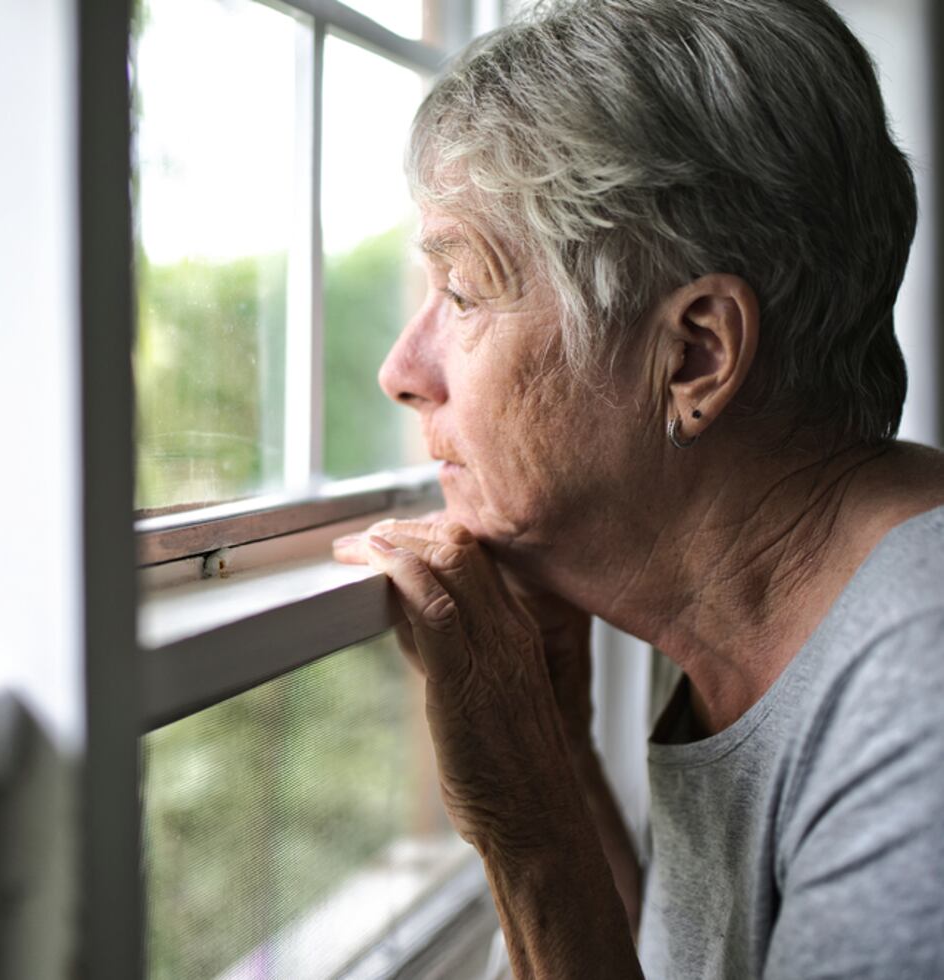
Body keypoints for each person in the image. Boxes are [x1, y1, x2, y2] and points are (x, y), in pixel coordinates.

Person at [334, 0, 944, 975]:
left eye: (460, 293)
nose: (401, 370)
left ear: (695, 353)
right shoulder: (757, 630)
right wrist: (561, 761)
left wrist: (524, 826)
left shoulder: (916, 697)